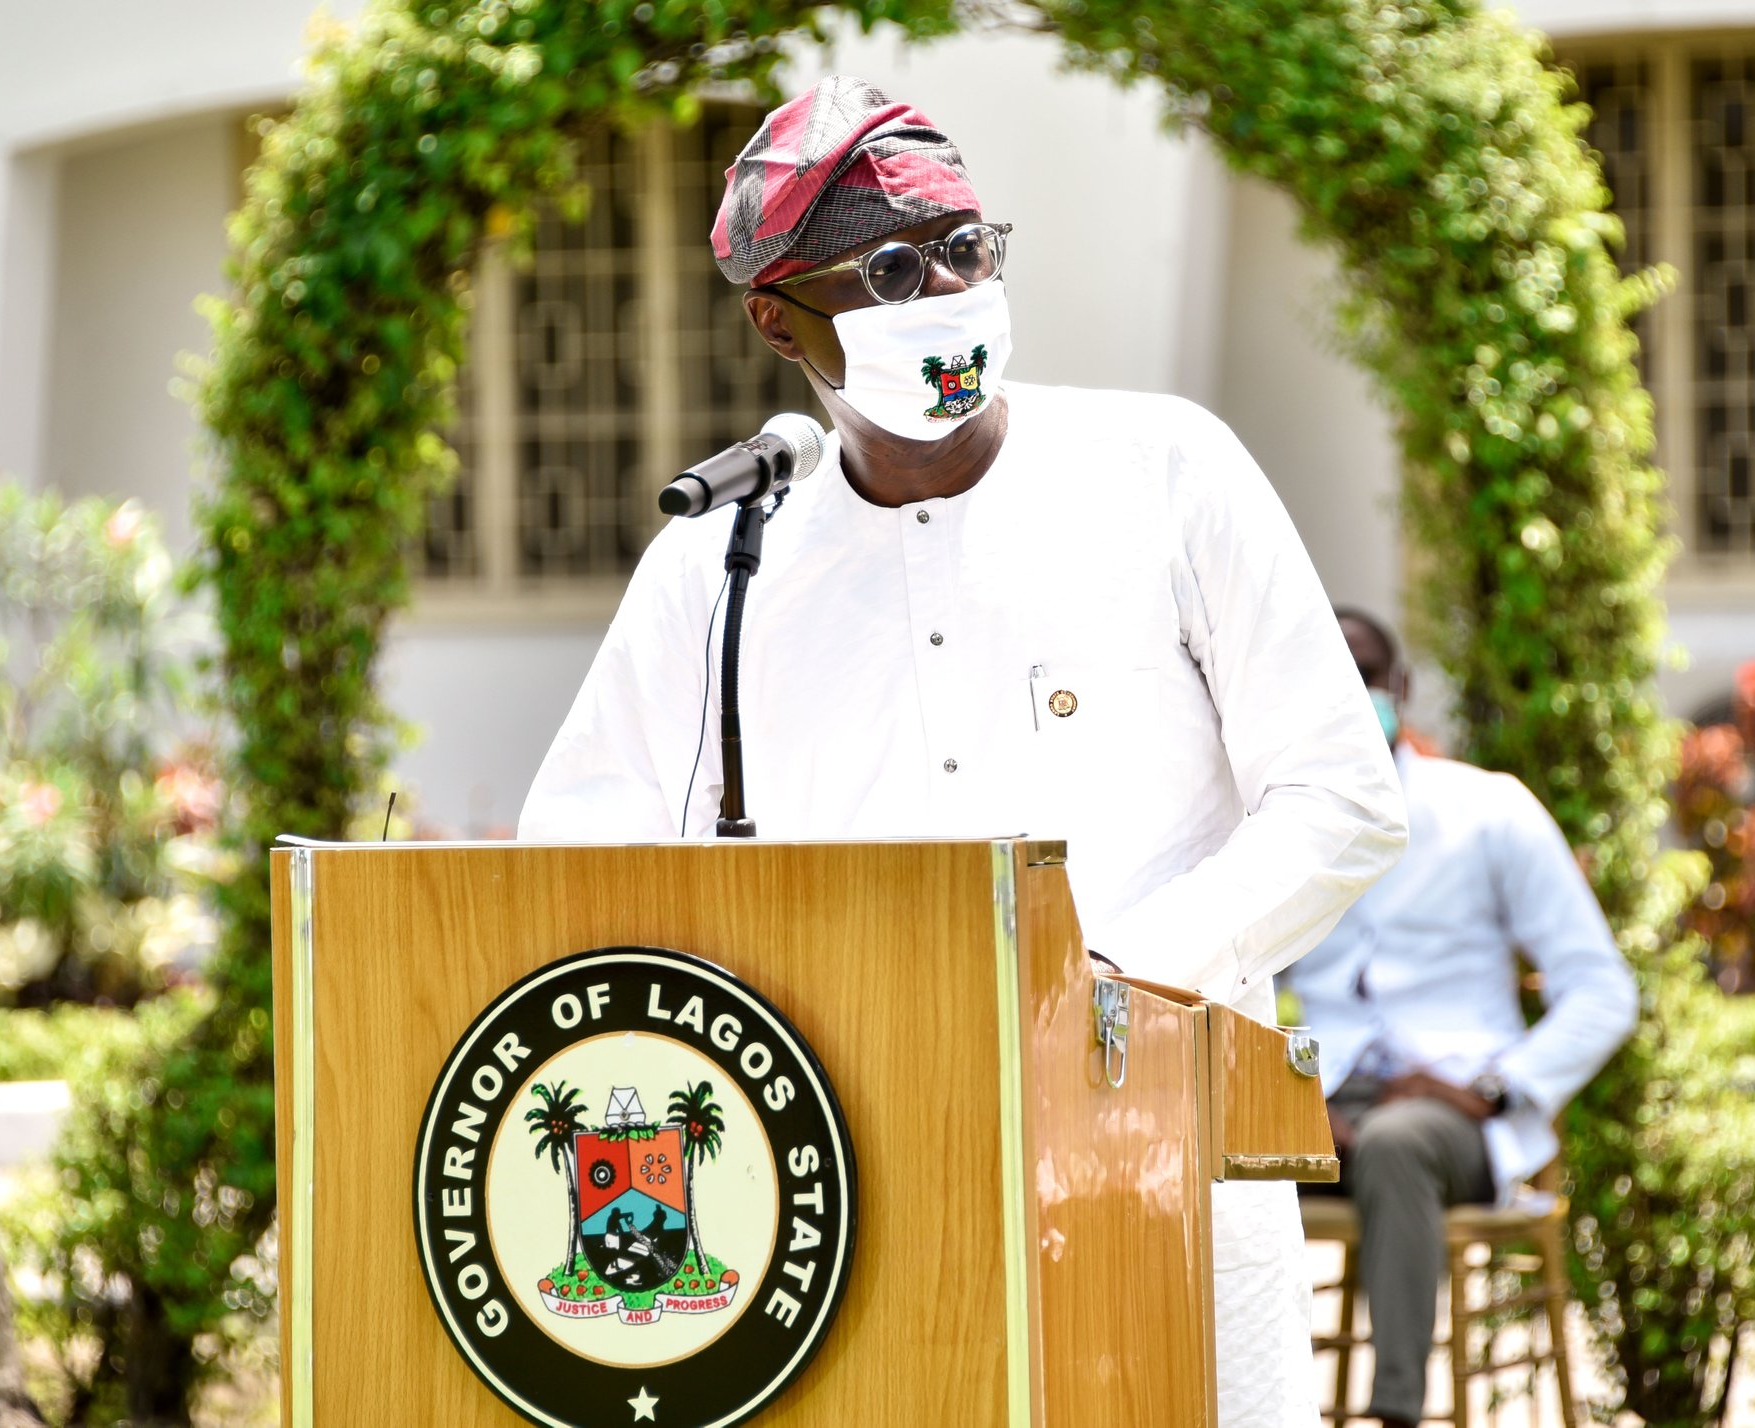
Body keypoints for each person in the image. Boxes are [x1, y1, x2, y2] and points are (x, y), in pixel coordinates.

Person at [518, 75, 1408, 1424]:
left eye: (965, 249)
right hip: (852, 1219)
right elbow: (574, 867)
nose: (943, 290)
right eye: (887, 269)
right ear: (779, 317)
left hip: (1169, 1170)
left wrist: (1098, 988)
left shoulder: (1168, 472)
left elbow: (1341, 800)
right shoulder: (720, 571)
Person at [1282, 608, 1638, 1428]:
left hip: (1453, 1118)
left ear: (1401, 689)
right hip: (1325, 1107)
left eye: (1368, 674)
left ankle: (1396, 1413)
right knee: (1187, 1150)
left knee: (1397, 1145)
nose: (1354, 692)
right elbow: (1239, 982)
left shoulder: (1489, 811)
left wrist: (1491, 1086)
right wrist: (1299, 1105)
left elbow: (1602, 990)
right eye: (1331, 675)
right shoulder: (1278, 827)